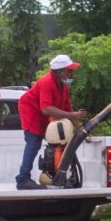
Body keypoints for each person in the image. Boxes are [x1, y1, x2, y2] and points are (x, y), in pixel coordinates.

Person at [15, 54, 87, 190]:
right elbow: (46, 109)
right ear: (60, 72)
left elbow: (69, 112)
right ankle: (22, 179)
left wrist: (82, 130)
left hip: (44, 113)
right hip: (31, 112)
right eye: (69, 70)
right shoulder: (47, 82)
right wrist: (72, 115)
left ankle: (59, 176)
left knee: (61, 142)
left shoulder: (63, 86)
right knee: (34, 142)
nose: (72, 73)